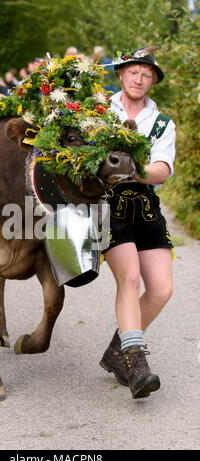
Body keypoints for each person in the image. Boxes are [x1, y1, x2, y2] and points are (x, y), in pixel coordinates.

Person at [99, 46, 176, 399]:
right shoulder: (98, 110)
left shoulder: (162, 123)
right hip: (106, 204)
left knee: (161, 289)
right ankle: (135, 361)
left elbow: (162, 169)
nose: (139, 79)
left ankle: (118, 349)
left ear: (153, 82)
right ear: (121, 74)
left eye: (147, 75)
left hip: (144, 205)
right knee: (129, 278)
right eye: (133, 72)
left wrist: (134, 169)